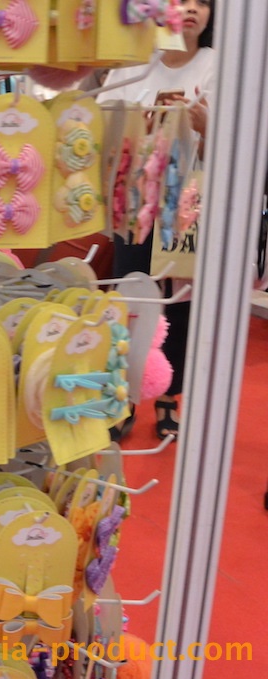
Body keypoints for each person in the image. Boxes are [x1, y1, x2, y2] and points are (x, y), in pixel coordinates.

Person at [96, 0, 215, 439]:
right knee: (130, 296)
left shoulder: (218, 66)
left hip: (189, 204)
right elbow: (102, 128)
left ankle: (169, 397)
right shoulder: (134, 65)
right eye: (182, 1)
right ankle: (122, 395)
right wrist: (141, 122)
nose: (191, 9)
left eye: (202, 2)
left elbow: (239, 142)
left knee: (181, 303)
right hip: (134, 202)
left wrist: (206, 125)